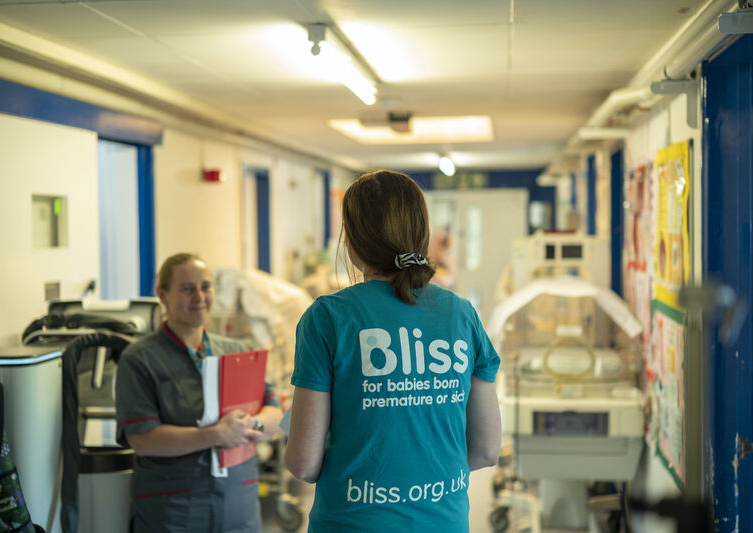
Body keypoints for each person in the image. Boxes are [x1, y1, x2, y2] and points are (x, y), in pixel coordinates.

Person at [285, 170, 502, 533]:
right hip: (443, 522)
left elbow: (303, 464)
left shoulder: (328, 318)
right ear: (421, 233)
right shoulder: (462, 315)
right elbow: (486, 450)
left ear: (352, 240)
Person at [115, 253, 283, 533]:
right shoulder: (139, 359)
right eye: (186, 289)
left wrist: (251, 425)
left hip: (238, 504)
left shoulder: (236, 352)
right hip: (175, 508)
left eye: (206, 287)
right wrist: (216, 435)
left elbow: (276, 414)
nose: (199, 297)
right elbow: (143, 440)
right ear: (162, 294)